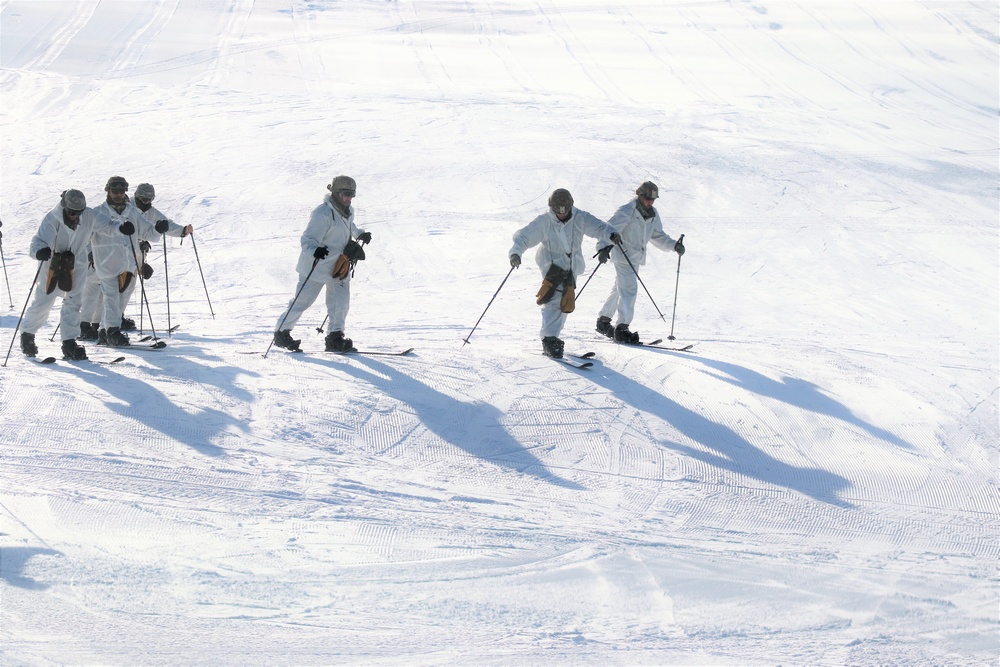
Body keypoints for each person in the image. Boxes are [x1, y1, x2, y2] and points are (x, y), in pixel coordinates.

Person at [508, 188, 619, 359]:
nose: (561, 213)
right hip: (551, 264)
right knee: (554, 299)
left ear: (570, 207)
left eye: (565, 209)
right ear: (551, 207)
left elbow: (600, 228)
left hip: (572, 265)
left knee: (565, 302)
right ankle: (549, 339)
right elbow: (524, 237)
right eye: (557, 210)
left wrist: (611, 237)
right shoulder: (544, 222)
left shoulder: (580, 217)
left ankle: (552, 336)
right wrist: (516, 253)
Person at [273, 175, 372, 353]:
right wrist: (315, 250)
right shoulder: (323, 213)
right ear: (335, 193)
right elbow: (307, 240)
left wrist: (360, 234)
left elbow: (349, 226)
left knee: (340, 303)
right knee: (303, 301)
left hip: (339, 266)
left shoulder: (348, 211)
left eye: (352, 195)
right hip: (316, 266)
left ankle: (335, 337)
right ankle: (281, 333)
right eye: (346, 194)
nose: (349, 198)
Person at [19, 189, 109, 359]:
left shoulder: (89, 215)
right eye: (72, 212)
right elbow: (37, 241)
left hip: (77, 263)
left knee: (74, 302)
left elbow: (109, 224)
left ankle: (69, 342)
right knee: (44, 300)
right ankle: (27, 335)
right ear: (64, 207)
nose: (75, 216)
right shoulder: (53, 218)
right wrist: (40, 251)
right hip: (52, 264)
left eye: (78, 213)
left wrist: (122, 227)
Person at [596, 181, 685, 344]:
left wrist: (674, 245)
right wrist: (603, 247)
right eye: (647, 199)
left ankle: (603, 321)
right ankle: (622, 328)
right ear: (640, 195)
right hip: (623, 255)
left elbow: (657, 235)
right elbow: (610, 228)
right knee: (629, 289)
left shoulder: (653, 215)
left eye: (653, 200)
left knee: (620, 287)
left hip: (635, 257)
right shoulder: (627, 211)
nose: (650, 202)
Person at [85, 176, 158, 347]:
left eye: (122, 191)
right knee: (111, 297)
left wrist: (158, 229)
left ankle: (103, 330)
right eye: (115, 190)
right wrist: (89, 254)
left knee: (121, 298)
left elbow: (147, 231)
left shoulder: (132, 212)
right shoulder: (98, 213)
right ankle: (113, 332)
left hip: (128, 264)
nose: (118, 194)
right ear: (108, 191)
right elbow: (85, 237)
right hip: (106, 263)